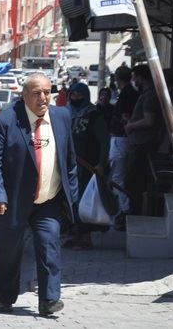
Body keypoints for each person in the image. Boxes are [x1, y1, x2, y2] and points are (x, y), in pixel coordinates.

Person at [0, 72, 78, 317]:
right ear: (24, 95)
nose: (43, 98)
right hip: (12, 201)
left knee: (49, 247)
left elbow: (70, 159)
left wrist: (72, 194)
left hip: (48, 201)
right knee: (8, 253)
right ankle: (6, 297)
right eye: (36, 93)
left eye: (47, 92)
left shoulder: (62, 116)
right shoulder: (4, 121)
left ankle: (49, 299)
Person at [65, 82, 110, 250]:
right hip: (70, 164)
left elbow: (104, 141)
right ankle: (75, 234)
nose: (75, 99)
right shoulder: (66, 113)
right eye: (73, 95)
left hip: (88, 165)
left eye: (79, 96)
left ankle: (86, 237)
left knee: (85, 200)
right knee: (71, 201)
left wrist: (101, 163)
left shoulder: (94, 115)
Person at [124, 65, 163, 216]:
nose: (134, 80)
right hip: (139, 143)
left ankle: (135, 213)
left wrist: (131, 126)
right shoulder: (146, 94)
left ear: (141, 77)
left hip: (142, 144)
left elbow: (149, 120)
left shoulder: (150, 95)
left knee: (134, 181)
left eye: (135, 77)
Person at [109, 65, 138, 225]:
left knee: (118, 177)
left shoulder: (127, 94)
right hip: (124, 138)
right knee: (120, 176)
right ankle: (123, 208)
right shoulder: (130, 93)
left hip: (121, 138)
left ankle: (124, 209)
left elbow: (125, 117)